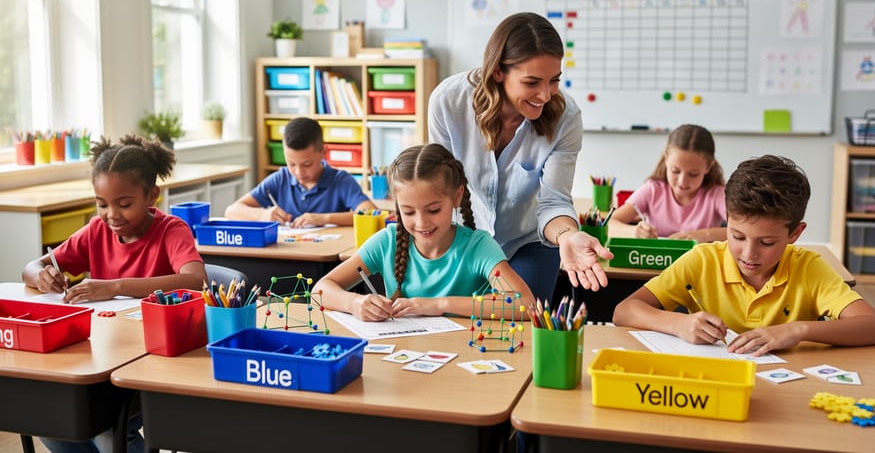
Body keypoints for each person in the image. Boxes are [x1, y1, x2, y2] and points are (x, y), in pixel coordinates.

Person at [22, 134, 206, 453]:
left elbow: (194, 279)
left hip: (152, 362)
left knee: (108, 432)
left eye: (124, 204)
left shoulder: (171, 230)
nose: (112, 215)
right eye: (102, 204)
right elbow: (30, 267)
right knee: (53, 423)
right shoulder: (97, 231)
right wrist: (42, 275)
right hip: (101, 358)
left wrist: (114, 286)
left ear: (152, 195)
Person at [613, 155, 875, 355]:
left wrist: (797, 331)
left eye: (767, 242)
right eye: (736, 236)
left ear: (795, 234)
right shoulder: (702, 261)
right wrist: (679, 323)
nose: (749, 253)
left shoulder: (809, 268)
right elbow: (624, 311)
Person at [428, 11, 610, 303]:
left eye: (554, 80)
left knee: (521, 323)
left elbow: (554, 201)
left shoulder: (566, 117)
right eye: (532, 82)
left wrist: (567, 236)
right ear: (499, 71)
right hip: (464, 238)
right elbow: (439, 188)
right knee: (457, 326)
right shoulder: (449, 102)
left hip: (528, 242)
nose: (546, 95)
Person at [316, 143, 535, 322]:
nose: (421, 222)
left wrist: (439, 305)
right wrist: (354, 303)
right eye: (408, 212)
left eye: (433, 210)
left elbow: (525, 304)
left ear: (457, 197)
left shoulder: (478, 246)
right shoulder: (387, 242)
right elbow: (320, 291)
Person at [225, 117, 375, 227]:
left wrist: (325, 218)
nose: (298, 172)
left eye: (307, 164)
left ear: (323, 152)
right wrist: (263, 214)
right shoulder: (280, 179)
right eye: (291, 164)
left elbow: (370, 213)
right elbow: (231, 211)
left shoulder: (340, 180)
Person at [609, 124, 727, 242]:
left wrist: (705, 235)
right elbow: (608, 224)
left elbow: (743, 228)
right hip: (654, 259)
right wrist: (634, 231)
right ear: (666, 160)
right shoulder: (652, 190)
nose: (682, 181)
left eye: (693, 174)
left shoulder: (716, 194)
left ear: (708, 166)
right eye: (675, 171)